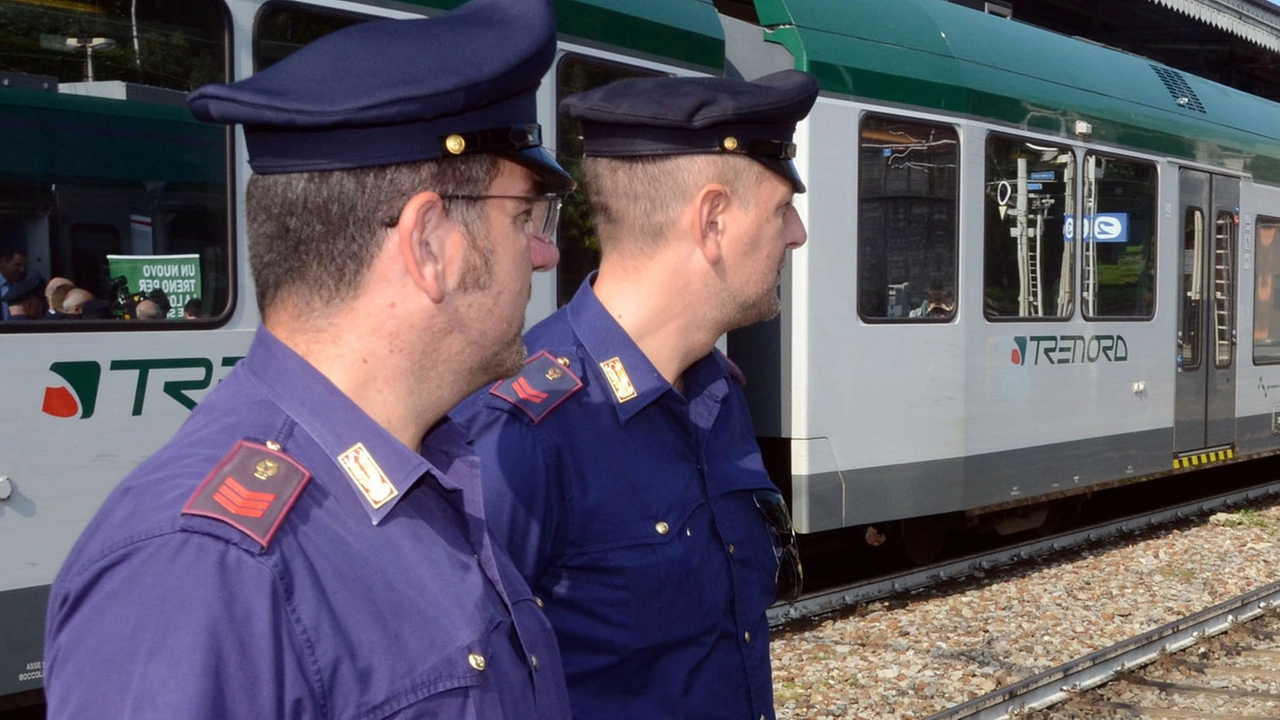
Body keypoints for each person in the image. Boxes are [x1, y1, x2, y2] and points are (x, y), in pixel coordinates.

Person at [44, 1, 576, 718]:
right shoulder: (201, 570)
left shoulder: (424, 472)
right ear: (429, 244)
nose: (545, 254)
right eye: (524, 218)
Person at [454, 70, 817, 720]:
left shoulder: (717, 395)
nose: (796, 234)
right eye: (781, 209)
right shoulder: (519, 436)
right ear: (712, 221)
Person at [0, 247, 27, 320]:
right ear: (2, 263)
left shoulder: (24, 285)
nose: (22, 270)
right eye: (17, 265)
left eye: (23, 265)